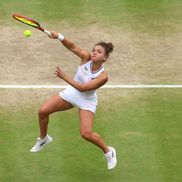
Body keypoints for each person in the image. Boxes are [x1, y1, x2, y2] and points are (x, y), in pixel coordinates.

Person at [30, 31, 117, 170]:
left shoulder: (103, 77)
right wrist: (59, 36)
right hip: (72, 93)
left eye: (99, 52)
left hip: (87, 101)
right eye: (94, 50)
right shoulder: (86, 58)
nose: (94, 53)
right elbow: (72, 46)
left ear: (105, 57)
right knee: (42, 112)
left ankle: (109, 151)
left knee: (86, 134)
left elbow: (83, 88)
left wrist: (64, 77)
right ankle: (44, 139)